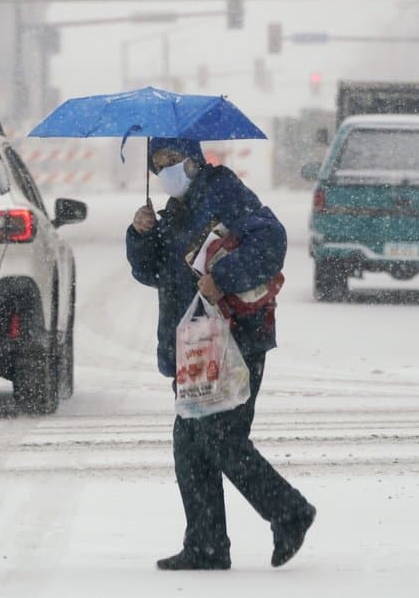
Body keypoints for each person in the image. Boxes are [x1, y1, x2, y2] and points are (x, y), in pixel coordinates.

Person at [126, 137, 316, 571]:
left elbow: (271, 241)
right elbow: (153, 272)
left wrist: (222, 276)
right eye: (158, 164)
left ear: (193, 159)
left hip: (236, 337)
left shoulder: (223, 191)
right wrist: (141, 235)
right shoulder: (174, 210)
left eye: (172, 160)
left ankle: (289, 512)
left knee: (219, 438)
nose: (166, 170)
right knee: (190, 445)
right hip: (194, 341)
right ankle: (206, 545)